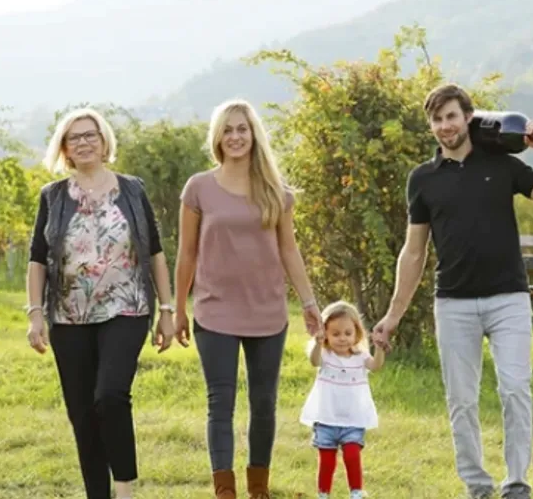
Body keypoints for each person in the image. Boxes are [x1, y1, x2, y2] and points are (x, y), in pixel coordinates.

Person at [371, 83, 533, 499]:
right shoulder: (423, 180)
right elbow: (413, 254)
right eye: (437, 119)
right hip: (453, 304)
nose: (444, 125)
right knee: (461, 400)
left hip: (509, 299)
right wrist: (392, 316)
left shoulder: (503, 165)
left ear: (468, 117)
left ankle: (516, 484)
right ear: (431, 125)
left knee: (515, 389)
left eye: (451, 116)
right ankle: (478, 487)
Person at [174, 98, 322, 499]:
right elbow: (186, 253)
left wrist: (309, 304)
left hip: (267, 312)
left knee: (264, 402)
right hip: (214, 309)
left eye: (242, 129)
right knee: (219, 403)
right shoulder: (199, 188)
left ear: (254, 135)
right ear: (217, 137)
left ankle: (259, 488)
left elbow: (289, 250)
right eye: (228, 129)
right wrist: (178, 309)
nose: (235, 136)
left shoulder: (278, 192)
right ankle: (225, 490)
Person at [25, 107, 176, 499]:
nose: (84, 142)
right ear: (65, 148)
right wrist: (35, 315)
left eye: (91, 134)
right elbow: (37, 258)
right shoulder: (53, 196)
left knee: (109, 395)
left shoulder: (131, 190)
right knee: (82, 412)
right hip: (68, 315)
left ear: (104, 140)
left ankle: (123, 488)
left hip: (126, 308)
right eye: (75, 137)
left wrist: (167, 309)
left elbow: (155, 251)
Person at [300, 301, 385, 499]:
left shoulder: (360, 356)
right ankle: (323, 493)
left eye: (348, 333)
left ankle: (356, 492)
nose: (342, 339)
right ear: (326, 334)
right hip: (326, 418)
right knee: (327, 460)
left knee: (352, 455)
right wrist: (318, 343)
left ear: (357, 333)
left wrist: (379, 349)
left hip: (353, 419)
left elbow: (375, 366)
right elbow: (314, 361)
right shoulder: (325, 355)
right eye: (336, 334)